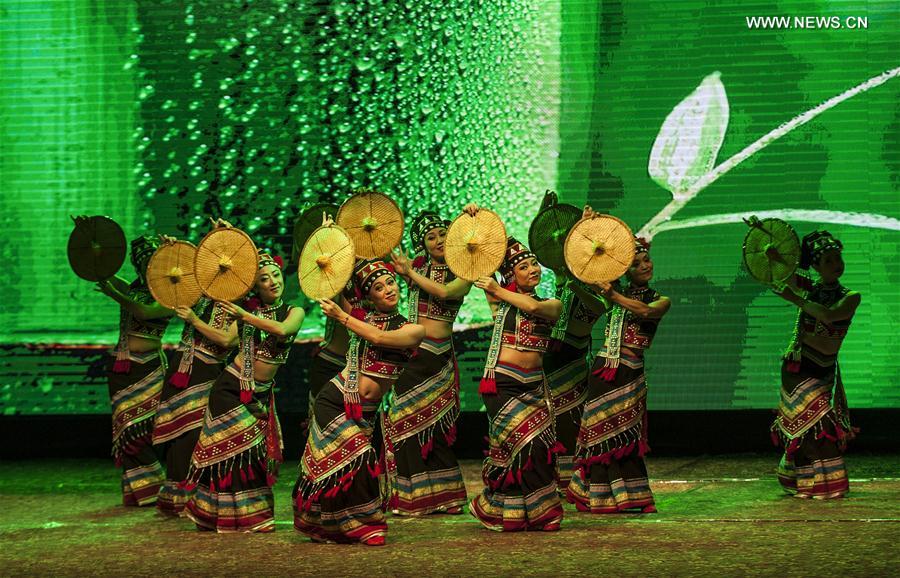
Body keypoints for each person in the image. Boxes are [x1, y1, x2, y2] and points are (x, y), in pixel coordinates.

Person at [293, 259, 425, 545]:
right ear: (369, 296)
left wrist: (343, 317)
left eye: (390, 283)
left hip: (366, 410)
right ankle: (362, 524)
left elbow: (378, 336)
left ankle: (336, 525)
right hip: (335, 398)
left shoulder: (413, 329)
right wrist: (331, 251)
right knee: (359, 456)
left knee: (351, 464)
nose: (388, 289)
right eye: (378, 287)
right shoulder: (360, 317)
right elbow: (335, 286)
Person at [183, 250, 305, 532]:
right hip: (230, 386)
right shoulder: (247, 313)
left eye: (275, 275)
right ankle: (224, 515)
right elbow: (226, 340)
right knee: (236, 452)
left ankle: (250, 515)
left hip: (259, 391)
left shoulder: (293, 311)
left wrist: (245, 316)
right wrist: (194, 320)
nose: (273, 281)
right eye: (264, 278)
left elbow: (283, 331)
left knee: (252, 452)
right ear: (255, 286)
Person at [469, 226, 565, 532]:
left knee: (533, 449)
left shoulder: (552, 304)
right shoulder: (500, 301)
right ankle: (538, 512)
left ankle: (510, 511)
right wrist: (477, 222)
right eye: (523, 266)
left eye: (534, 263)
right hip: (503, 383)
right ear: (511, 274)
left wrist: (499, 289)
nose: (533, 269)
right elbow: (481, 259)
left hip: (534, 387)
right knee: (527, 445)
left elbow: (535, 307)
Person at [567, 236, 670, 514]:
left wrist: (613, 296)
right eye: (636, 264)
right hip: (603, 369)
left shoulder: (659, 300)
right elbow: (590, 263)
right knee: (599, 432)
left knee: (625, 433)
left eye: (646, 259)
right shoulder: (613, 295)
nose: (644, 265)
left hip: (630, 371)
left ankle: (632, 495)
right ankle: (601, 496)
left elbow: (646, 312)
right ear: (626, 270)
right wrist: (590, 225)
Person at [385, 210, 472, 515]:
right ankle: (414, 498)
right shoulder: (416, 265)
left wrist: (470, 216)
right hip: (409, 355)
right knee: (404, 426)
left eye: (442, 234)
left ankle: (446, 497)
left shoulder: (463, 270)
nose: (437, 241)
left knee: (433, 429)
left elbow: (445, 292)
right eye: (430, 237)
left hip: (436, 357)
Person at [770, 230, 859, 499]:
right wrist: (774, 257)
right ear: (817, 267)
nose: (836, 264)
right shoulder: (812, 288)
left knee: (820, 426)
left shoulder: (851, 296)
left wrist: (795, 298)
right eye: (829, 261)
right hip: (798, 368)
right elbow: (782, 276)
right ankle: (809, 484)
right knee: (809, 425)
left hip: (824, 370)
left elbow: (830, 316)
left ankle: (823, 483)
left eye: (837, 258)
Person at [95, 235, 174, 506]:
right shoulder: (133, 288)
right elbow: (101, 272)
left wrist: (114, 294)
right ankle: (139, 490)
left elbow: (143, 312)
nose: (146, 265)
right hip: (121, 365)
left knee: (142, 430)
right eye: (140, 260)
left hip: (148, 367)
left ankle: (153, 487)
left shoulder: (169, 293)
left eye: (150, 259)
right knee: (126, 428)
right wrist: (91, 238)